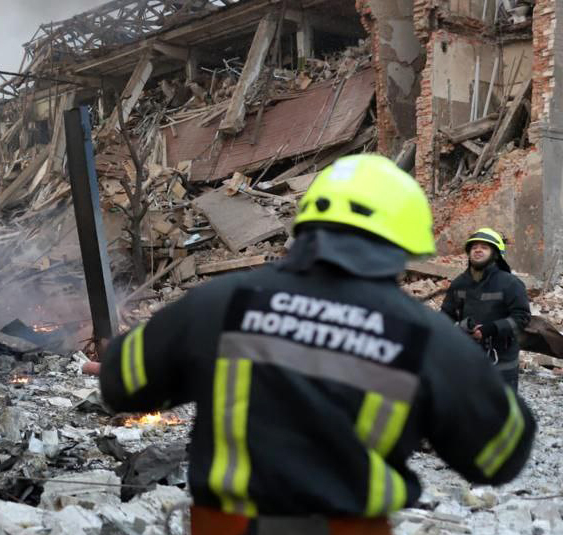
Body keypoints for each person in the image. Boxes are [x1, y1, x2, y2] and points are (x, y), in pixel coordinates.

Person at [92, 155, 535, 534]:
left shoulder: (219, 304)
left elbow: (120, 383)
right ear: (404, 244)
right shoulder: (427, 340)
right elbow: (501, 456)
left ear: (307, 224)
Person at [440, 228, 531, 391]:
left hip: (502, 360)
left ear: (495, 254)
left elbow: (522, 317)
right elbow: (446, 315)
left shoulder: (510, 283)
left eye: (484, 247)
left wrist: (490, 329)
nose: (478, 250)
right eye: (474, 247)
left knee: (501, 410)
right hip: (467, 357)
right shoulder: (459, 283)